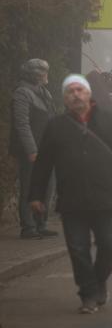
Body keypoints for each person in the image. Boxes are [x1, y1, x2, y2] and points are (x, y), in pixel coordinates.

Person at [29, 75, 112, 313]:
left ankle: (99, 280)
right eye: (71, 91)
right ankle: (88, 293)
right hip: (72, 199)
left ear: (88, 94)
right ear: (65, 98)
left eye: (80, 90)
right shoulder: (56, 127)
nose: (76, 95)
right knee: (77, 248)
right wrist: (36, 195)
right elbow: (43, 164)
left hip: (106, 197)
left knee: (109, 243)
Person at [10, 58, 57, 239]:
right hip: (32, 150)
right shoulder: (22, 93)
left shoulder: (44, 92)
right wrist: (31, 150)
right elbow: (22, 124)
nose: (46, 75)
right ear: (35, 75)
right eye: (43, 72)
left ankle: (41, 223)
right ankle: (28, 226)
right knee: (30, 187)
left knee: (47, 187)